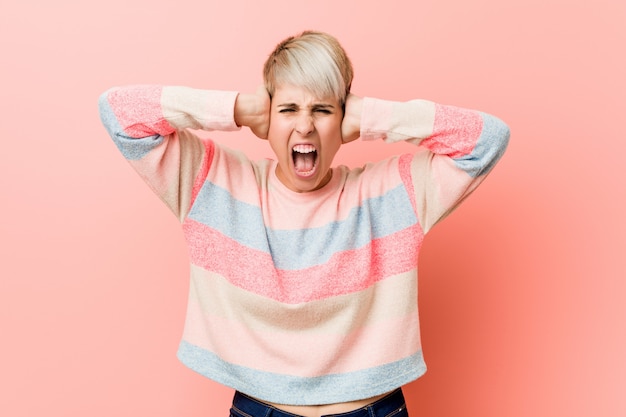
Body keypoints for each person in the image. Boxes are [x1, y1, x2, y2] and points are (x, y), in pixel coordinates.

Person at [98, 30, 509, 417]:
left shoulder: (390, 193)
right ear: (267, 119)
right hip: (259, 408)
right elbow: (119, 113)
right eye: (289, 109)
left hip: (372, 409)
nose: (306, 124)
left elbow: (488, 139)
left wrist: (371, 116)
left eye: (323, 109)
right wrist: (237, 108)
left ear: (345, 122)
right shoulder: (212, 181)